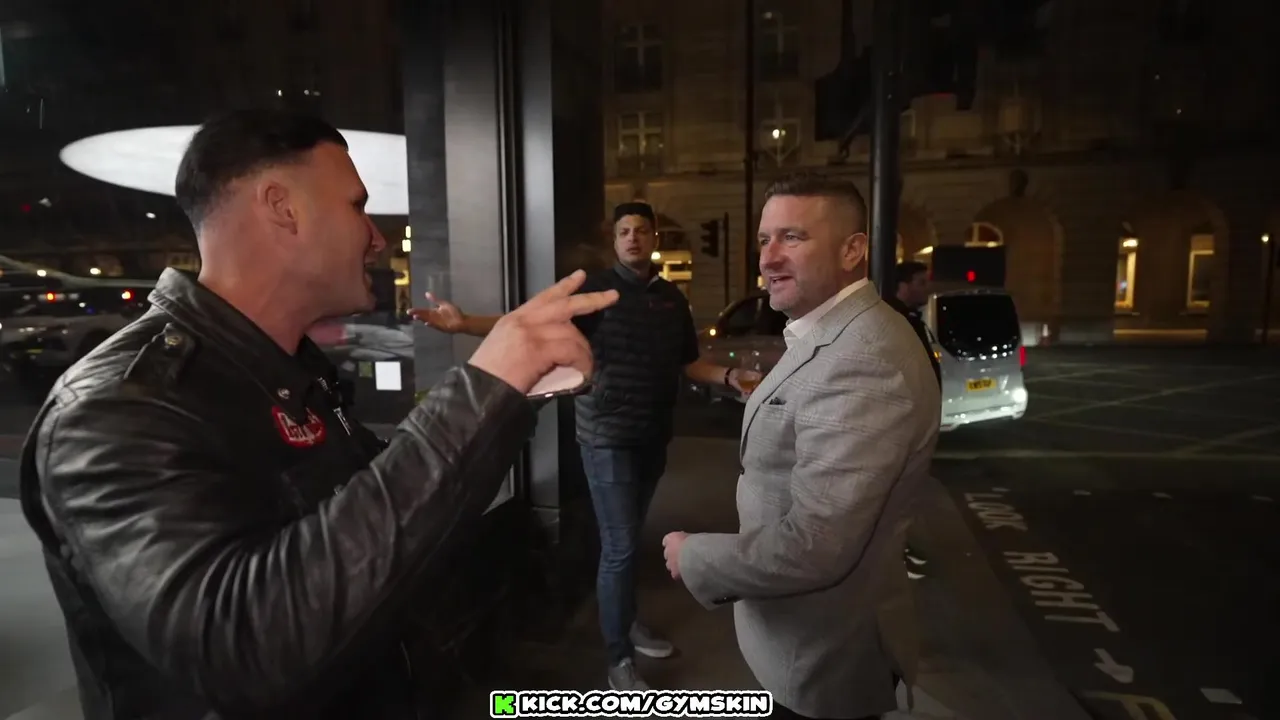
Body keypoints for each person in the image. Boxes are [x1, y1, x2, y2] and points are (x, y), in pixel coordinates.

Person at [17, 109, 618, 720]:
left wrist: (512, 394)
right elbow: (243, 647)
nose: (378, 238)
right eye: (358, 206)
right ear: (282, 207)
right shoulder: (115, 407)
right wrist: (483, 390)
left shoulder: (293, 371)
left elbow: (369, 538)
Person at [415, 201, 760, 691]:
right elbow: (528, 327)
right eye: (624, 231)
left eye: (642, 230)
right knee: (620, 545)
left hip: (652, 435)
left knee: (628, 537)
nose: (633, 237)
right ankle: (617, 657)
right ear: (614, 241)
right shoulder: (597, 292)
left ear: (654, 239)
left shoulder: (670, 299)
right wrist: (464, 322)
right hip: (606, 436)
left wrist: (729, 376)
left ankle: (628, 622)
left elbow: (689, 363)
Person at [661, 173, 940, 720]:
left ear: (852, 250)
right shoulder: (835, 330)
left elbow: (816, 546)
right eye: (765, 240)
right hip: (804, 639)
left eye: (793, 237)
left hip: (820, 656)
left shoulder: (863, 359)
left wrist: (694, 554)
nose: (769, 258)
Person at [887, 260, 941, 580]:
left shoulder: (908, 317)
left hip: (913, 417)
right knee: (895, 494)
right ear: (903, 285)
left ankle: (897, 551)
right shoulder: (896, 320)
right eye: (921, 282)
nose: (927, 288)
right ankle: (894, 556)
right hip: (902, 420)